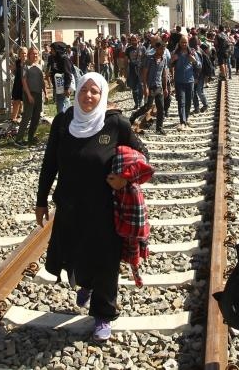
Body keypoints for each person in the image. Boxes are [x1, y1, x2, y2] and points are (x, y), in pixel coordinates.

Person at [35, 72, 148, 343]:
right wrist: (40, 200)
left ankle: (102, 315)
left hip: (105, 209)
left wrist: (124, 179)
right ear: (77, 93)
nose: (88, 96)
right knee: (75, 257)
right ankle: (86, 283)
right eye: (84, 90)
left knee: (106, 263)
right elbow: (50, 163)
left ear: (103, 95)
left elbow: (143, 155)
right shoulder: (63, 122)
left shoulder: (115, 124)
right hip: (70, 207)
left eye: (95, 92)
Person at [129, 39, 169, 135]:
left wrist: (166, 88)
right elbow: (144, 74)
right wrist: (145, 87)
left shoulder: (163, 59)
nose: (162, 51)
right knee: (147, 107)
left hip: (158, 87)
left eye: (163, 50)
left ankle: (159, 128)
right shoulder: (149, 59)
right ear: (156, 49)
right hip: (150, 87)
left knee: (161, 108)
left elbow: (164, 74)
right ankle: (134, 116)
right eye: (160, 49)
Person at [15, 47, 45, 147]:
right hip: (29, 94)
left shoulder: (40, 66)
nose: (35, 55)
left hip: (39, 94)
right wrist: (28, 95)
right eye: (33, 53)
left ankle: (31, 137)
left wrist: (44, 92)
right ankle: (18, 139)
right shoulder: (25, 66)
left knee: (36, 117)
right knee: (27, 117)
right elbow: (24, 81)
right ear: (29, 55)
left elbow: (42, 81)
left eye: (37, 54)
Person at [170, 35, 199, 130]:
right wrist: (172, 60)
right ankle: (182, 121)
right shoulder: (175, 53)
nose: (184, 44)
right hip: (179, 81)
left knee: (188, 101)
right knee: (181, 101)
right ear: (179, 43)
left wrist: (194, 61)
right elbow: (168, 64)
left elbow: (199, 65)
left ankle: (186, 119)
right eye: (182, 42)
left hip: (189, 81)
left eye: (185, 42)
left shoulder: (192, 52)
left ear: (188, 43)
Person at [10, 47, 27, 123]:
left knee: (26, 100)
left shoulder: (29, 62)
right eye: (22, 53)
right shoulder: (17, 62)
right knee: (16, 100)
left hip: (27, 83)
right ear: (19, 54)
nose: (24, 54)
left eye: (25, 53)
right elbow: (14, 71)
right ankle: (14, 118)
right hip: (18, 83)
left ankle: (26, 116)